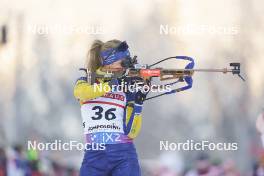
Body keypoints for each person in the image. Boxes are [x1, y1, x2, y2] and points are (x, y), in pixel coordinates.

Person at [74, 39, 147, 176]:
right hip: (94, 154)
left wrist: (138, 103)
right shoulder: (86, 81)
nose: (125, 67)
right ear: (109, 61)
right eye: (123, 62)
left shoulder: (126, 88)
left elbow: (131, 132)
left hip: (124, 154)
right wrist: (110, 85)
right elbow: (81, 93)